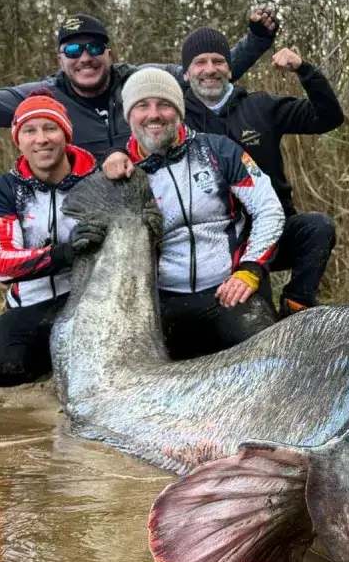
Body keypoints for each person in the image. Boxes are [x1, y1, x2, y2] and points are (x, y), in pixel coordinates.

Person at [104, 25, 344, 316]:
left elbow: (328, 117)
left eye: (218, 61)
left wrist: (305, 69)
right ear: (185, 73)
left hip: (267, 221)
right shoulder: (173, 118)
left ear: (230, 69)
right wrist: (115, 153)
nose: (210, 69)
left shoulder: (261, 106)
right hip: (215, 235)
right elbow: (138, 131)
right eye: (200, 62)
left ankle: (296, 306)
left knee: (317, 228)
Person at [0, 10, 278, 161]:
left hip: (157, 209)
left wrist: (257, 38)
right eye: (73, 49)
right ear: (60, 59)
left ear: (109, 52)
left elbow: (206, 76)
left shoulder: (142, 80)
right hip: (88, 219)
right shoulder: (44, 96)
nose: (84, 57)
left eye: (94, 47)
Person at [119, 67, 286, 359]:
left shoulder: (219, 150)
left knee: (267, 357)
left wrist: (249, 269)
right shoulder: (119, 173)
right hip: (161, 302)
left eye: (165, 104)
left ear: (180, 111)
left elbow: (269, 209)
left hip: (227, 291)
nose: (154, 114)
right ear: (129, 116)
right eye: (142, 106)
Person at [0, 93, 105, 387]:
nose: (41, 139)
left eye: (50, 128)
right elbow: (2, 265)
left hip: (88, 304)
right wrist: (65, 253)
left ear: (65, 134)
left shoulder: (97, 179)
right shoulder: (5, 189)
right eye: (30, 131)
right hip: (31, 306)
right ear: (18, 141)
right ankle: (50, 363)